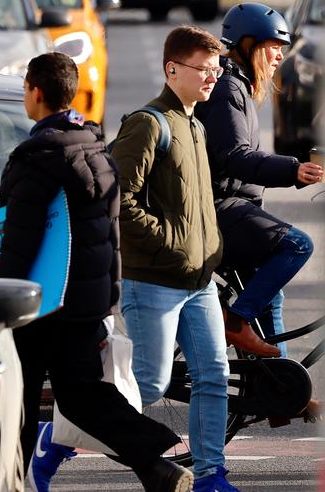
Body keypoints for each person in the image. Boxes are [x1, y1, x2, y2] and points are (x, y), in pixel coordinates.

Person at [0, 53, 189, 492]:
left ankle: (8, 483)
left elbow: (19, 244)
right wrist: (107, 302)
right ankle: (156, 464)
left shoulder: (37, 158)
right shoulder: (96, 148)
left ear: (35, 92)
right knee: (81, 397)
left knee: (16, 402)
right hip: (83, 304)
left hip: (38, 306)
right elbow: (110, 234)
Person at [110, 26, 235, 492]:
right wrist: (169, 241)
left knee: (213, 375)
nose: (213, 78)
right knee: (148, 386)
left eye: (216, 69)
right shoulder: (148, 123)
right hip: (154, 282)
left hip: (199, 280)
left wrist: (210, 248)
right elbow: (119, 200)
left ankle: (211, 475)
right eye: (204, 69)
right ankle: (55, 444)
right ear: (172, 69)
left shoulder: (196, 126)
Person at [195, 4, 321, 366]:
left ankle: (283, 390)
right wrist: (293, 171)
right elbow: (235, 157)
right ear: (247, 44)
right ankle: (235, 321)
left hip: (235, 205)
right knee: (298, 245)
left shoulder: (240, 87)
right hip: (221, 208)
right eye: (273, 46)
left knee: (271, 296)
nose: (280, 55)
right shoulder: (227, 90)